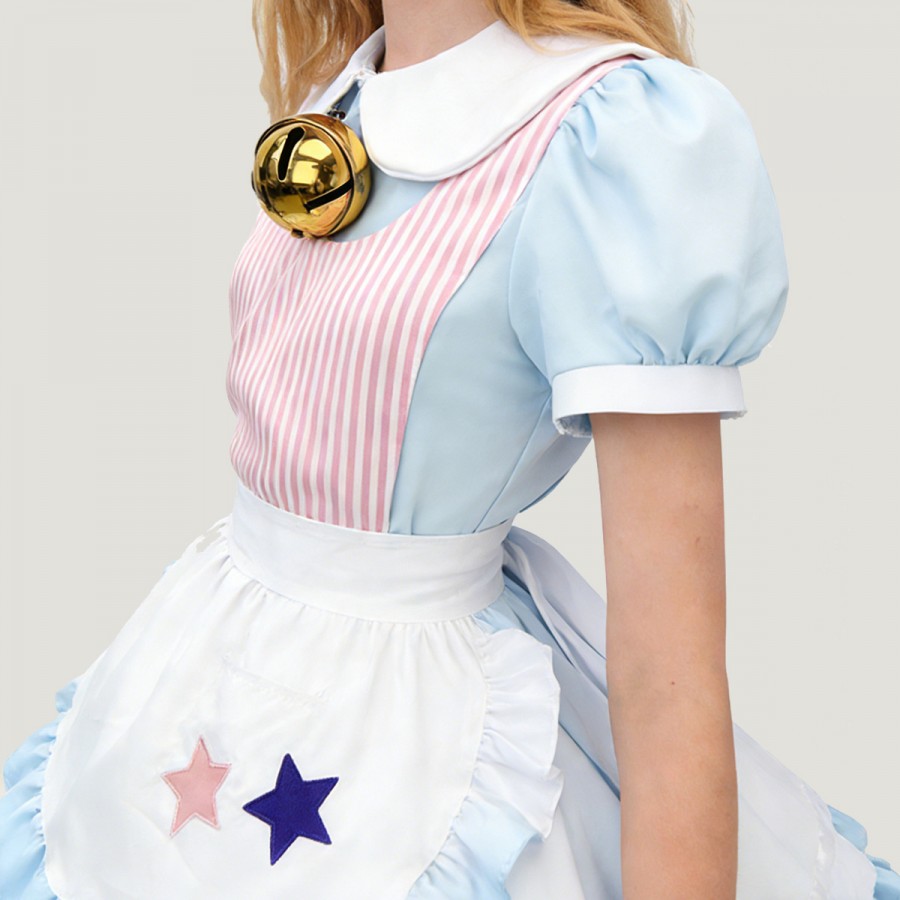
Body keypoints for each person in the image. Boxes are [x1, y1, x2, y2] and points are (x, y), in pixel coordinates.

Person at [1, 1, 897, 898]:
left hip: (403, 721)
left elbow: (670, 673)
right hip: (207, 666)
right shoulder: (347, 92)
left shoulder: (611, 138)